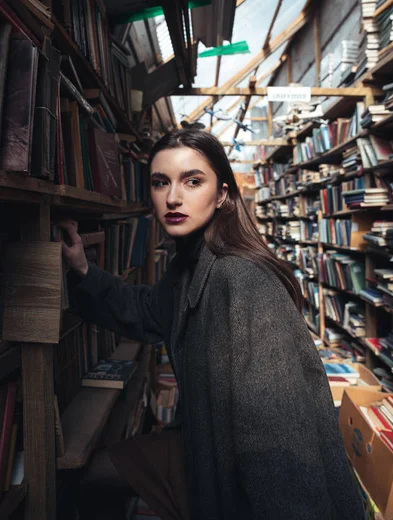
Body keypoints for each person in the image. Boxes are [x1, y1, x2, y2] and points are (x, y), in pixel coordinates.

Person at [58, 128, 365, 520]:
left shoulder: (243, 280)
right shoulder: (191, 261)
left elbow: (280, 438)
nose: (173, 197)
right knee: (93, 474)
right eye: (160, 183)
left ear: (221, 194)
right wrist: (84, 269)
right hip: (203, 445)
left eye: (192, 181)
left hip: (245, 473)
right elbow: (149, 309)